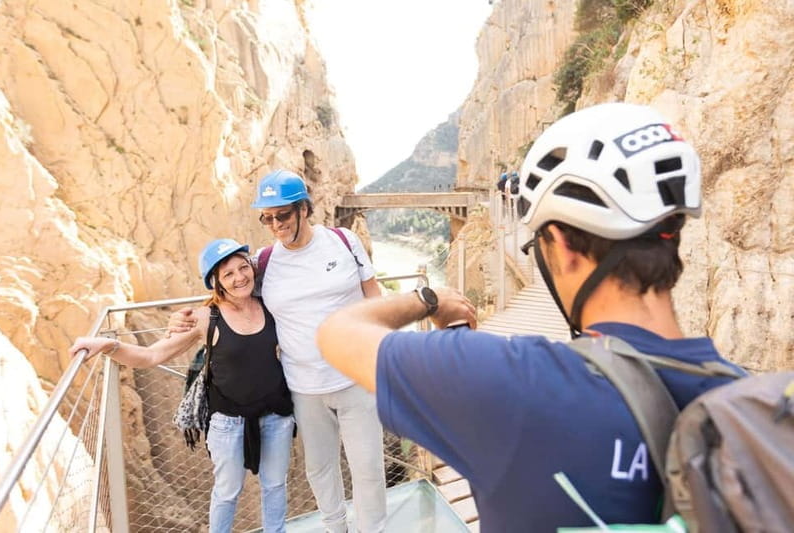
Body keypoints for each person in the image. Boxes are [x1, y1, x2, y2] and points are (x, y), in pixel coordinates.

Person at [314, 103, 746, 532]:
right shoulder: (754, 407)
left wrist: (429, 299)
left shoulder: (509, 381)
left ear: (560, 243)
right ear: (671, 234)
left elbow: (338, 332)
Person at [171, 170, 387, 533]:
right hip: (303, 387)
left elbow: (373, 296)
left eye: (282, 215)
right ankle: (337, 528)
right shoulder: (266, 261)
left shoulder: (343, 241)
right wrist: (187, 315)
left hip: (355, 377)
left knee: (367, 467)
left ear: (304, 209)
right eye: (267, 217)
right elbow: (231, 289)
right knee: (319, 468)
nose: (275, 224)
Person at [70, 239, 295, 533]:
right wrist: (108, 345)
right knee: (227, 493)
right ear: (216, 281)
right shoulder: (205, 317)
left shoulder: (270, 305)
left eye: (243, 268)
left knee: (275, 486)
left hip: (276, 415)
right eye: (228, 274)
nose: (240, 277)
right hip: (228, 422)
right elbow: (153, 354)